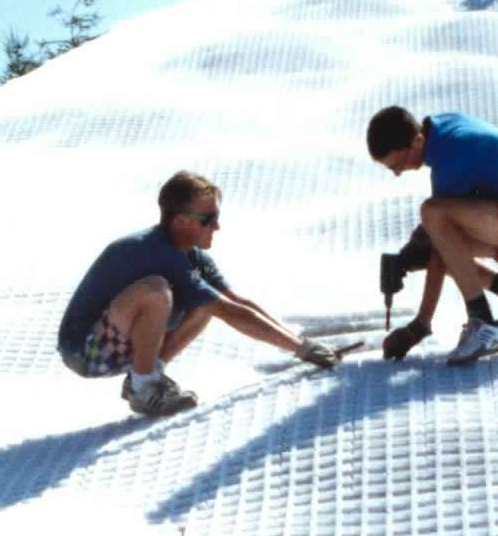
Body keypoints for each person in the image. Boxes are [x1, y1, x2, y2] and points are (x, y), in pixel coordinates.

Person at [57, 170, 349, 418]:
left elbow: (238, 304)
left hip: (112, 343)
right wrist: (302, 350)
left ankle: (145, 376)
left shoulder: (192, 255)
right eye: (208, 219)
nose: (217, 226)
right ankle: (144, 388)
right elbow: (233, 314)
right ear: (181, 221)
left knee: (205, 304)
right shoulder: (155, 251)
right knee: (157, 291)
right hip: (85, 351)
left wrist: (303, 344)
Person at [367, 107, 498, 364]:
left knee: (432, 214)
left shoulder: (452, 152)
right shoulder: (442, 131)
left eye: (398, 164)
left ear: (417, 140)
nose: (398, 172)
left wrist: (418, 323)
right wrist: (418, 324)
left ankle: (483, 321)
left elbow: (435, 228)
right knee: (445, 243)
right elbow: (441, 248)